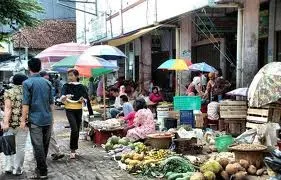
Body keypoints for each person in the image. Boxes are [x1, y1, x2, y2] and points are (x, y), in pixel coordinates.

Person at [20, 58, 54, 179]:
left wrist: (23, 120)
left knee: (38, 145)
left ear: (29, 68)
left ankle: (43, 171)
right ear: (40, 67)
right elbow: (51, 103)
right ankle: (41, 167)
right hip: (47, 118)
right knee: (44, 145)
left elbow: (25, 104)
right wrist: (52, 118)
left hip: (35, 120)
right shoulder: (48, 83)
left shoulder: (27, 83)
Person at [60, 69, 93, 159]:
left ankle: (74, 148)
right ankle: (72, 150)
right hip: (69, 109)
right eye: (69, 75)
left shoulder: (81, 87)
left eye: (71, 75)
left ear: (77, 76)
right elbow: (62, 97)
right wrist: (64, 97)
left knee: (77, 129)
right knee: (74, 128)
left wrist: (90, 111)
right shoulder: (66, 86)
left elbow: (86, 100)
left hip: (78, 109)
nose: (70, 77)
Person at [2, 74, 28, 175]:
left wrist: (5, 123)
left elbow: (7, 109)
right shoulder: (27, 92)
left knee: (9, 145)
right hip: (23, 123)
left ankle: (9, 167)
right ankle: (17, 169)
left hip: (10, 124)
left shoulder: (9, 91)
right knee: (21, 147)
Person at [39, 71, 65, 161]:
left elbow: (51, 103)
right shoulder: (35, 87)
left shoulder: (49, 87)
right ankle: (41, 154)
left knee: (51, 135)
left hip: (46, 115)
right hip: (37, 116)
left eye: (47, 79)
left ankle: (56, 151)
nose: (47, 81)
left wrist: (52, 116)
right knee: (40, 136)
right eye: (45, 79)